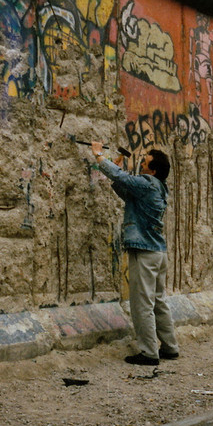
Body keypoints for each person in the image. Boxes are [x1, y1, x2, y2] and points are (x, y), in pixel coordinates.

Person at [91, 141, 179, 365]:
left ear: (153, 170)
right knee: (159, 301)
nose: (141, 164)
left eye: (146, 162)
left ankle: (149, 352)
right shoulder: (158, 187)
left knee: (142, 304)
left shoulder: (148, 184)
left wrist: (99, 155)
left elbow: (122, 178)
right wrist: (116, 169)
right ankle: (170, 347)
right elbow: (125, 189)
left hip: (145, 252)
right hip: (157, 252)